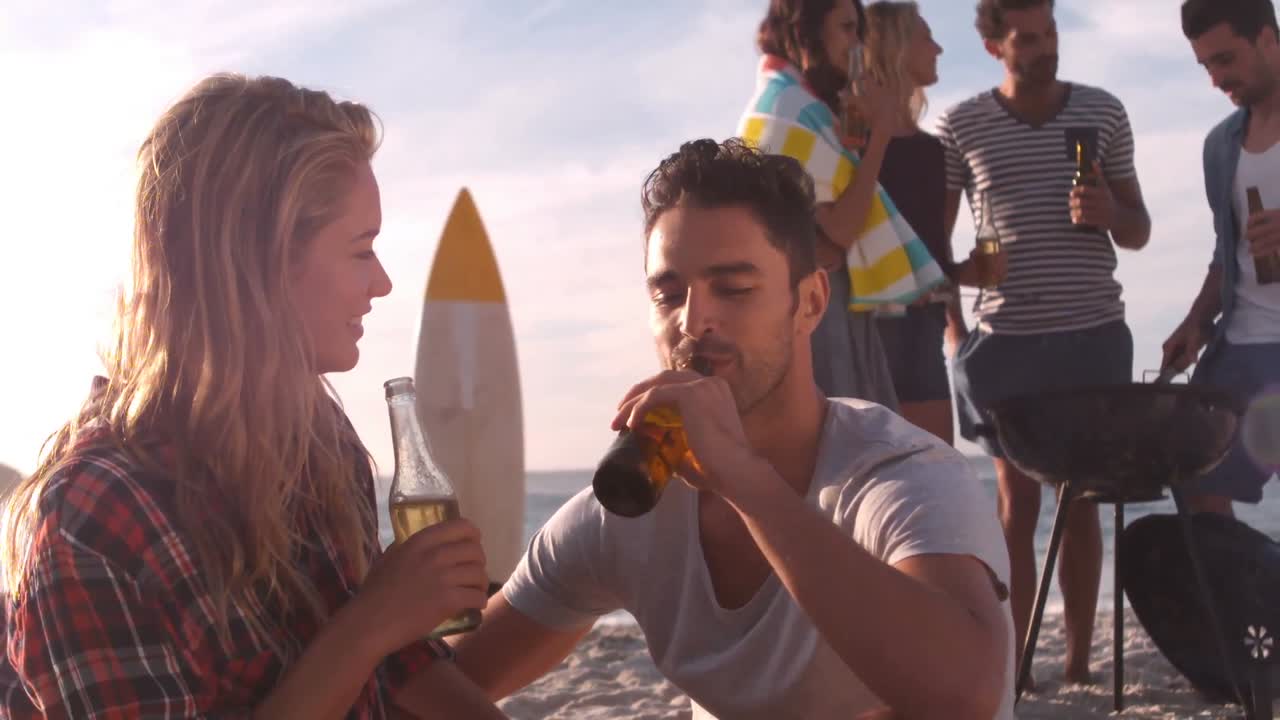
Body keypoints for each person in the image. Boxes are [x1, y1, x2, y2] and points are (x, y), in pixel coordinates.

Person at [431, 138, 1015, 719]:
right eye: (668, 294)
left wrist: (744, 480)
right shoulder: (629, 509)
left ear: (809, 303)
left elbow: (968, 697)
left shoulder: (897, 476)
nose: (693, 320)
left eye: (734, 289)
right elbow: (446, 683)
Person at [0, 74, 506, 719]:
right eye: (361, 251)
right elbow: (367, 643)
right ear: (259, 265)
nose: (382, 282)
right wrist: (370, 624)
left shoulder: (315, 439)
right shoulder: (94, 517)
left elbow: (398, 670)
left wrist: (387, 624)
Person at [934, 0, 1153, 684]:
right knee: (1015, 506)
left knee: (1082, 501)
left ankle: (1081, 665)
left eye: (1051, 32)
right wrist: (956, 333)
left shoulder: (1104, 111)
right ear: (996, 45)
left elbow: (1140, 228)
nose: (1046, 47)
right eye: (1029, 39)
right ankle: (1015, 665)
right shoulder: (960, 124)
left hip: (1092, 334)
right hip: (1008, 345)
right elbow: (934, 248)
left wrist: (1112, 213)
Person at [736, 0, 948, 410]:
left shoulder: (797, 103)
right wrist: (881, 135)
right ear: (807, 32)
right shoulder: (790, 109)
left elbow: (831, 236)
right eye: (847, 28)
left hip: (825, 313)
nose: (857, 44)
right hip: (818, 325)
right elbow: (839, 232)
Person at [1167, 0, 1280, 517]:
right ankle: (1240, 600)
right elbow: (1225, 253)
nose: (1216, 78)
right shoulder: (1220, 145)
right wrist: (1195, 320)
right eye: (1207, 65)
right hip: (1240, 350)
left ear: (1268, 39)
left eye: (1226, 59)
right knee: (1195, 484)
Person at [862, 1, 958, 444]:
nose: (938, 47)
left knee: (937, 471)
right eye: (925, 36)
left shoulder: (934, 151)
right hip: (870, 328)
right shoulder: (854, 144)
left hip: (925, 328)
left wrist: (963, 279)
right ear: (896, 47)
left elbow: (932, 253)